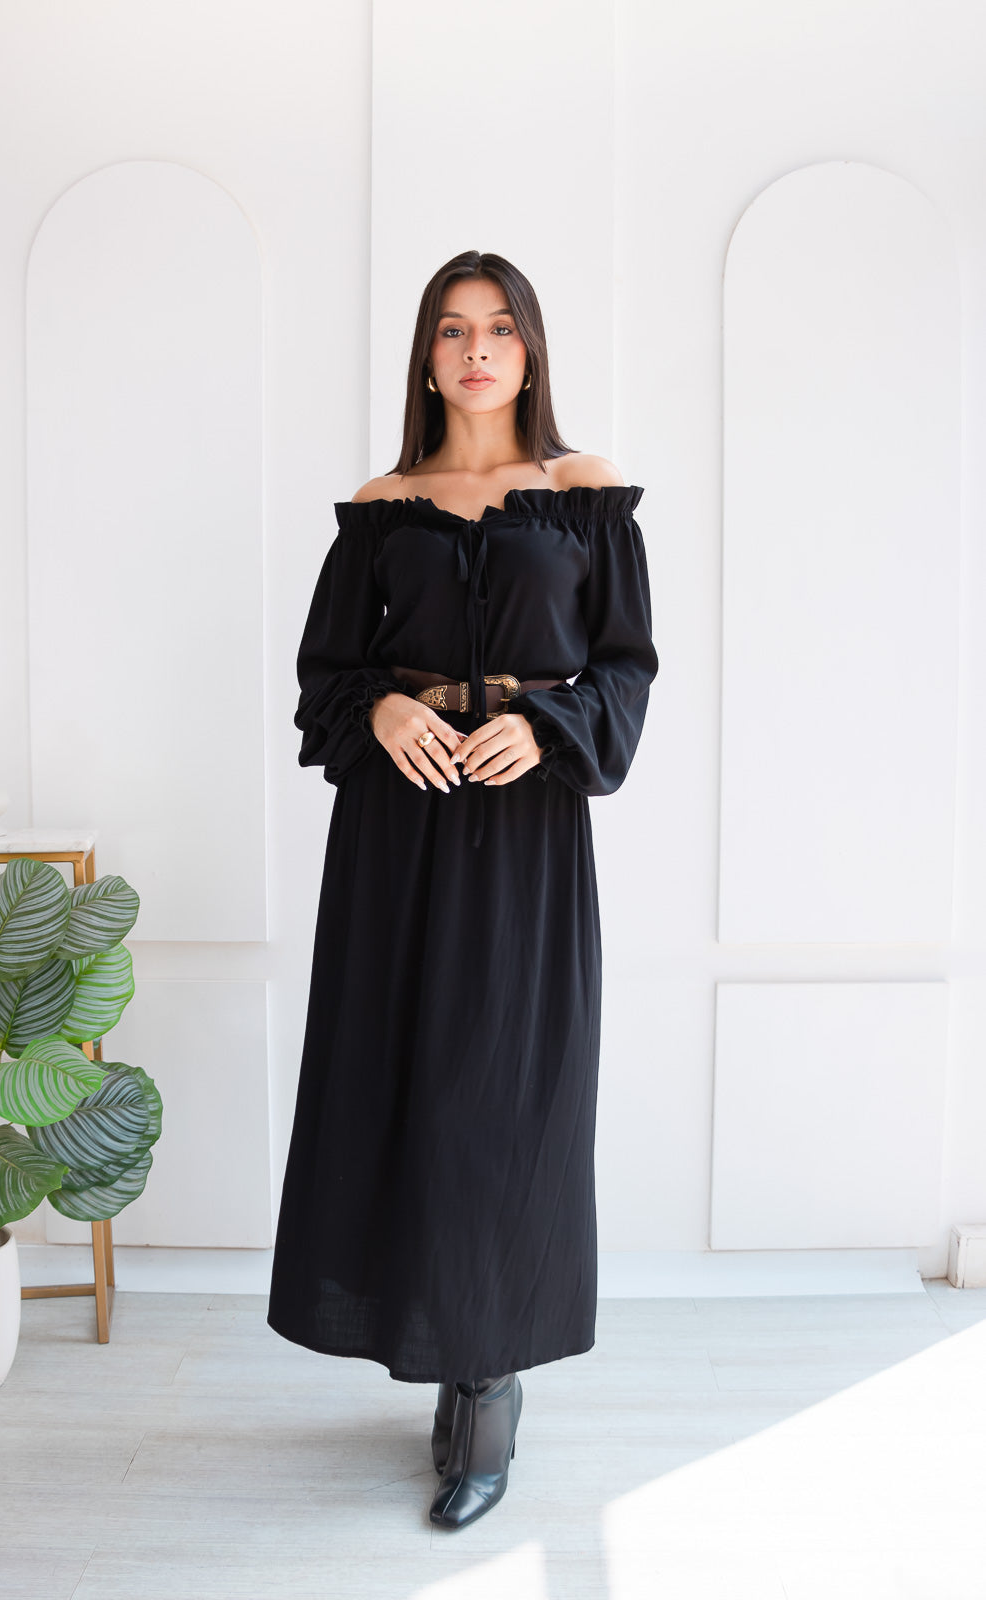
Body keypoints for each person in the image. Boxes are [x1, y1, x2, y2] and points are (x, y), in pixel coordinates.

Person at [267, 249, 659, 1531]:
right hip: (397, 835)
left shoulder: (584, 494)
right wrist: (381, 708)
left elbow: (625, 667)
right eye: (450, 329)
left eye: (497, 328)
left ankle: (488, 1394)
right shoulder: (382, 507)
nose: (475, 350)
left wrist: (546, 728)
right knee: (406, 1092)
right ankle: (446, 1351)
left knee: (500, 1104)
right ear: (426, 357)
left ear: (528, 349)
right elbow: (325, 677)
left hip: (525, 837)